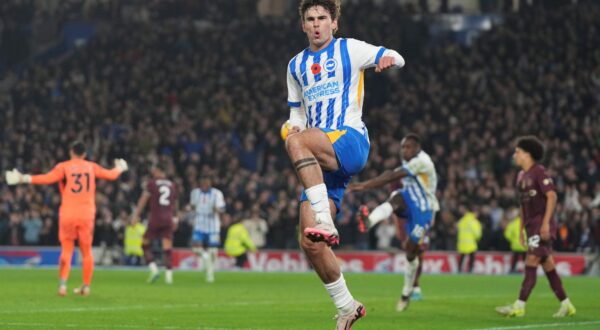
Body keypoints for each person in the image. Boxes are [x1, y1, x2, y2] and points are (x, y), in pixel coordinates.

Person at [284, 0, 405, 327]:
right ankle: (347, 306)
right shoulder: (295, 65)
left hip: (349, 139)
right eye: (311, 19)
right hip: (321, 159)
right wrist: (293, 125)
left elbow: (395, 55)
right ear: (303, 25)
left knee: (295, 141)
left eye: (323, 17)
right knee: (308, 242)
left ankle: (325, 219)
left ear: (334, 22)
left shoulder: (350, 49)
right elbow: (296, 113)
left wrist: (389, 60)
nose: (317, 24)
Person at [4, 141, 128, 296]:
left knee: (67, 249)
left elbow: (47, 178)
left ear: (71, 152)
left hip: (68, 212)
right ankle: (86, 286)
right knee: (86, 251)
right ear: (84, 154)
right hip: (86, 213)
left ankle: (62, 286)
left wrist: (24, 178)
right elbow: (111, 175)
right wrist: (120, 167)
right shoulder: (92, 166)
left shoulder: (64, 166)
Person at [348, 134, 438, 312]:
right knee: (396, 198)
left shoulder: (423, 162)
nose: (404, 151)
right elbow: (390, 174)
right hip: (409, 199)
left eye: (408, 147)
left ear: (417, 148)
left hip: (424, 210)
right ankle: (369, 222)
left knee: (411, 253)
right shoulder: (409, 162)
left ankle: (406, 292)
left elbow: (392, 176)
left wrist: (364, 185)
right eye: (403, 147)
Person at [496, 136, 576, 317]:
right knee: (548, 266)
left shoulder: (539, 172)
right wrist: (521, 230)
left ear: (527, 154)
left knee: (531, 261)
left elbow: (552, 196)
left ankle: (519, 306)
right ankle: (566, 304)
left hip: (542, 225)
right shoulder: (521, 177)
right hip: (531, 227)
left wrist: (546, 223)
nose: (514, 155)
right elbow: (523, 205)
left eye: (517, 152)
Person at [131, 163, 179, 284]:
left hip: (155, 219)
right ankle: (169, 277)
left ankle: (154, 270)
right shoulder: (172, 185)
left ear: (158, 171)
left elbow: (143, 200)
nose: (153, 172)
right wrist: (176, 218)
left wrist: (136, 215)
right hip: (168, 218)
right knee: (167, 248)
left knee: (145, 245)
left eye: (154, 170)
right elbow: (175, 203)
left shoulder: (152, 184)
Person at [189, 175, 225, 283]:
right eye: (203, 183)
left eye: (207, 183)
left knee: (213, 251)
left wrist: (217, 209)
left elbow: (222, 208)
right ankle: (205, 259)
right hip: (199, 224)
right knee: (196, 248)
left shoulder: (217, 193)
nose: (205, 185)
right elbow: (192, 205)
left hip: (213, 225)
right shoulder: (195, 193)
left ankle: (210, 273)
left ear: (210, 183)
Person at [456, 208, 482, 273]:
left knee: (462, 257)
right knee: (472, 257)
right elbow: (477, 234)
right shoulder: (474, 222)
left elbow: (457, 227)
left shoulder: (462, 220)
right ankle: (470, 269)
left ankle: (459, 269)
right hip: (471, 243)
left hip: (462, 243)